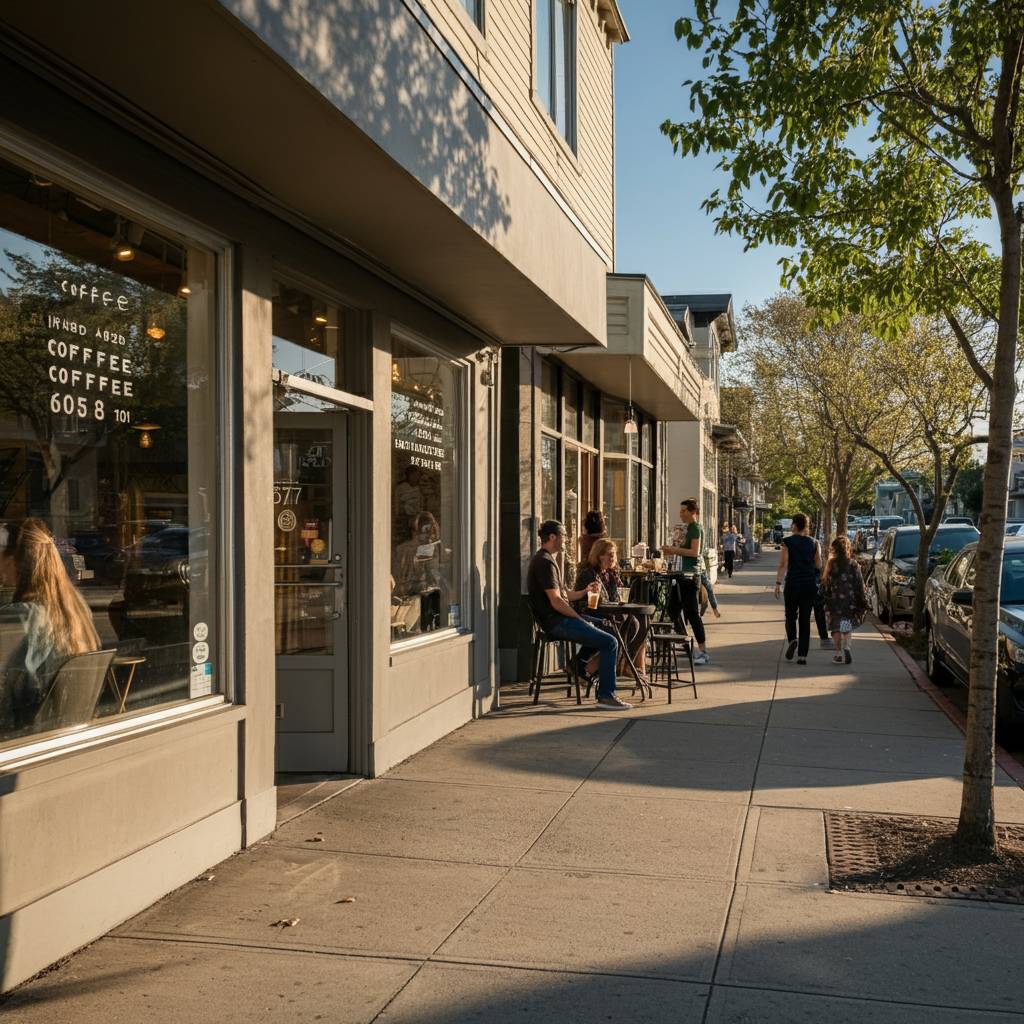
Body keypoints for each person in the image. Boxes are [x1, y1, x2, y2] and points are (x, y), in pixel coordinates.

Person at [0, 518, 100, 731]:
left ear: (13, 560)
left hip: (25, 734)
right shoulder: (75, 606)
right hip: (68, 728)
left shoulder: (22, 616)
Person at [527, 519, 631, 710]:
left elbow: (563, 594)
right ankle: (606, 696)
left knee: (608, 628)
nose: (566, 540)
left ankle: (579, 667)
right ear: (552, 537)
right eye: (563, 536)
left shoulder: (547, 559)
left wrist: (584, 591)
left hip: (559, 618)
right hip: (556, 622)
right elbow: (556, 601)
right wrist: (579, 618)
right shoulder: (544, 562)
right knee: (610, 642)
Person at [574, 538, 650, 683]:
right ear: (599, 556)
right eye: (609, 554)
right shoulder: (588, 574)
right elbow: (591, 605)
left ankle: (624, 664)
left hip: (605, 614)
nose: (613, 558)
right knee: (629, 626)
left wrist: (618, 600)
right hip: (588, 616)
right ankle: (590, 666)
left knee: (640, 622)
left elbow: (615, 598)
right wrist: (598, 596)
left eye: (614, 554)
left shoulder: (609, 574)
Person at [660, 498, 710, 665]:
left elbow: (695, 552)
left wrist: (674, 549)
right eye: (681, 511)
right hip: (680, 573)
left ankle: (703, 651)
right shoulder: (686, 529)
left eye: (684, 511)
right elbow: (683, 549)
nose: (681, 514)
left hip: (690, 575)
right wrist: (672, 548)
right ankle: (684, 643)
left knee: (691, 613)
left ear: (692, 512)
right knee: (672, 611)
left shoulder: (696, 528)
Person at [774, 513, 822, 665]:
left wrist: (777, 583)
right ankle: (802, 655)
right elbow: (818, 564)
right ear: (806, 526)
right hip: (809, 584)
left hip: (793, 583)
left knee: (790, 615)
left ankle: (792, 639)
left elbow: (783, 564)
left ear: (794, 525)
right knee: (805, 619)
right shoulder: (815, 543)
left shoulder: (787, 542)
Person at [821, 534, 869, 664]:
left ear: (834, 549)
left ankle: (838, 654)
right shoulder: (853, 564)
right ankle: (847, 647)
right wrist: (862, 600)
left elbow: (825, 582)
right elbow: (860, 584)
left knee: (836, 628)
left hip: (834, 601)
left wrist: (825, 597)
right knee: (845, 626)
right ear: (847, 548)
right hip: (849, 601)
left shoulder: (831, 564)